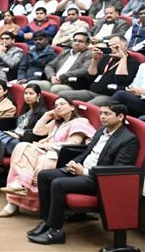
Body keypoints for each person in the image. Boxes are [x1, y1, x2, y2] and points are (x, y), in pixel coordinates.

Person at [30, 101, 138, 245]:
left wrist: (85, 171)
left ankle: (56, 231)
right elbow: (87, 152)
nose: (103, 117)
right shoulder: (101, 130)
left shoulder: (128, 140)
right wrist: (74, 162)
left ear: (120, 117)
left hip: (98, 180)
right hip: (81, 170)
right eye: (101, 113)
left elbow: (117, 169)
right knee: (44, 175)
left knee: (58, 184)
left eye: (107, 114)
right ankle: (48, 222)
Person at [0, 97, 94, 218]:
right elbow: (37, 131)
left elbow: (73, 143)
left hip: (62, 156)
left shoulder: (79, 122)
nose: (58, 107)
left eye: (62, 104)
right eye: (55, 105)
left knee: (43, 162)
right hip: (47, 151)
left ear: (72, 107)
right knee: (21, 147)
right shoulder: (57, 122)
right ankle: (18, 185)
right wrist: (48, 115)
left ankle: (19, 202)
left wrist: (48, 145)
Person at [58, 35, 139, 105]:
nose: (112, 48)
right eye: (109, 45)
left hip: (109, 96)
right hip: (92, 92)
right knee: (62, 95)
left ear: (125, 46)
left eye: (115, 46)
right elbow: (90, 76)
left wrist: (123, 58)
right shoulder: (106, 57)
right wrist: (95, 60)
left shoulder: (132, 62)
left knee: (89, 106)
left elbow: (122, 81)